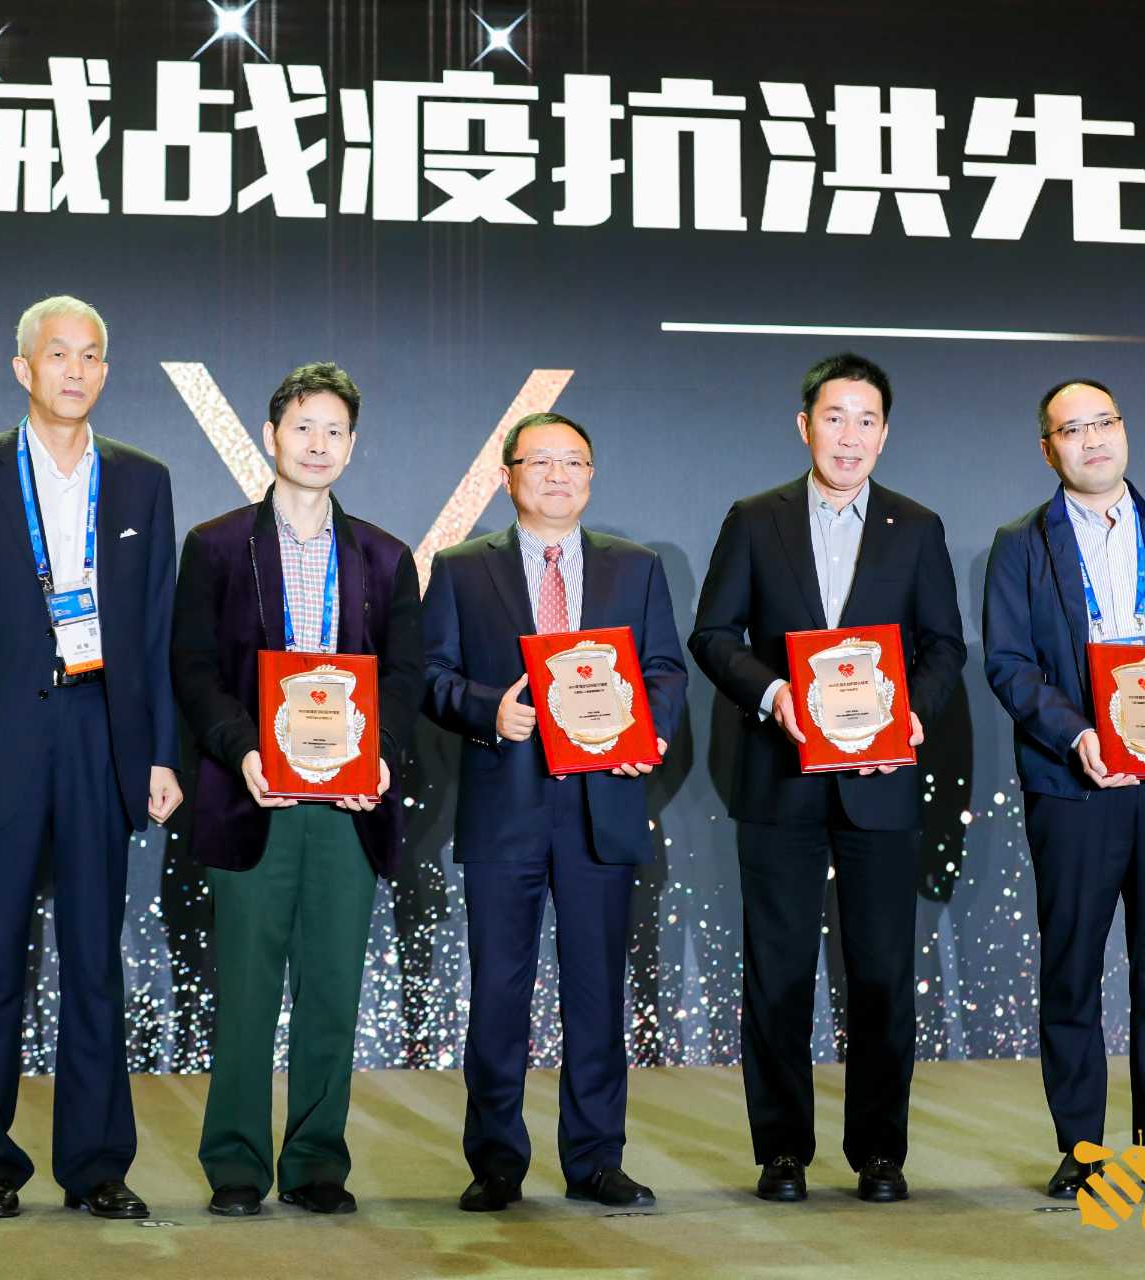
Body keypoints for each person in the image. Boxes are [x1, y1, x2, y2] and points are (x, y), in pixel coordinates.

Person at [0, 295, 181, 1220]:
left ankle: (98, 1165)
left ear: (106, 371)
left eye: (91, 355)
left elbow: (155, 632)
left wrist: (159, 754)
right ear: (23, 368)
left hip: (101, 735)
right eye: (58, 354)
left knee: (95, 963)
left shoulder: (143, 481)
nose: (75, 370)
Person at [688, 353, 966, 1204]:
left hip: (880, 776)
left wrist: (911, 711)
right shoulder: (755, 518)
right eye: (835, 418)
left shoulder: (917, 527)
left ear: (886, 434)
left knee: (881, 970)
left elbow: (943, 645)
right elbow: (713, 634)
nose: (850, 436)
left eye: (866, 420)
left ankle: (880, 1151)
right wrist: (774, 694)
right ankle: (782, 1150)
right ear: (804, 425)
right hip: (781, 775)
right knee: (777, 970)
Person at [981, 379, 1145, 1200]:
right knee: (1072, 969)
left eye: (1104, 423)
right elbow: (1009, 664)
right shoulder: (1021, 544)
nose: (1092, 440)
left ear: (1124, 431)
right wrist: (1078, 735)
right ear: (1047, 449)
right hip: (1076, 783)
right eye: (1072, 429)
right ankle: (1084, 1148)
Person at [172, 362, 423, 1217]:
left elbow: (404, 675)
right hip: (253, 796)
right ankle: (236, 1165)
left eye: (334, 431)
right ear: (271, 435)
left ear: (353, 445)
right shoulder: (215, 545)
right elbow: (193, 670)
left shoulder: (386, 557)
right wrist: (243, 749)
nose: (318, 444)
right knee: (245, 992)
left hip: (348, 806)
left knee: (332, 990)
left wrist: (379, 753)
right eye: (303, 427)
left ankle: (317, 1161)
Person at [420, 411, 688, 1212]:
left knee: (597, 992)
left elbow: (665, 669)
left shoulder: (635, 568)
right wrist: (486, 711)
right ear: (508, 476)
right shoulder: (463, 569)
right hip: (505, 806)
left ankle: (597, 1158)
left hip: (602, 804)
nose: (559, 475)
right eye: (541, 462)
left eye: (574, 461)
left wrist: (649, 733)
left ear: (592, 477)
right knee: (499, 994)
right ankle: (496, 1161)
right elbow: (429, 674)